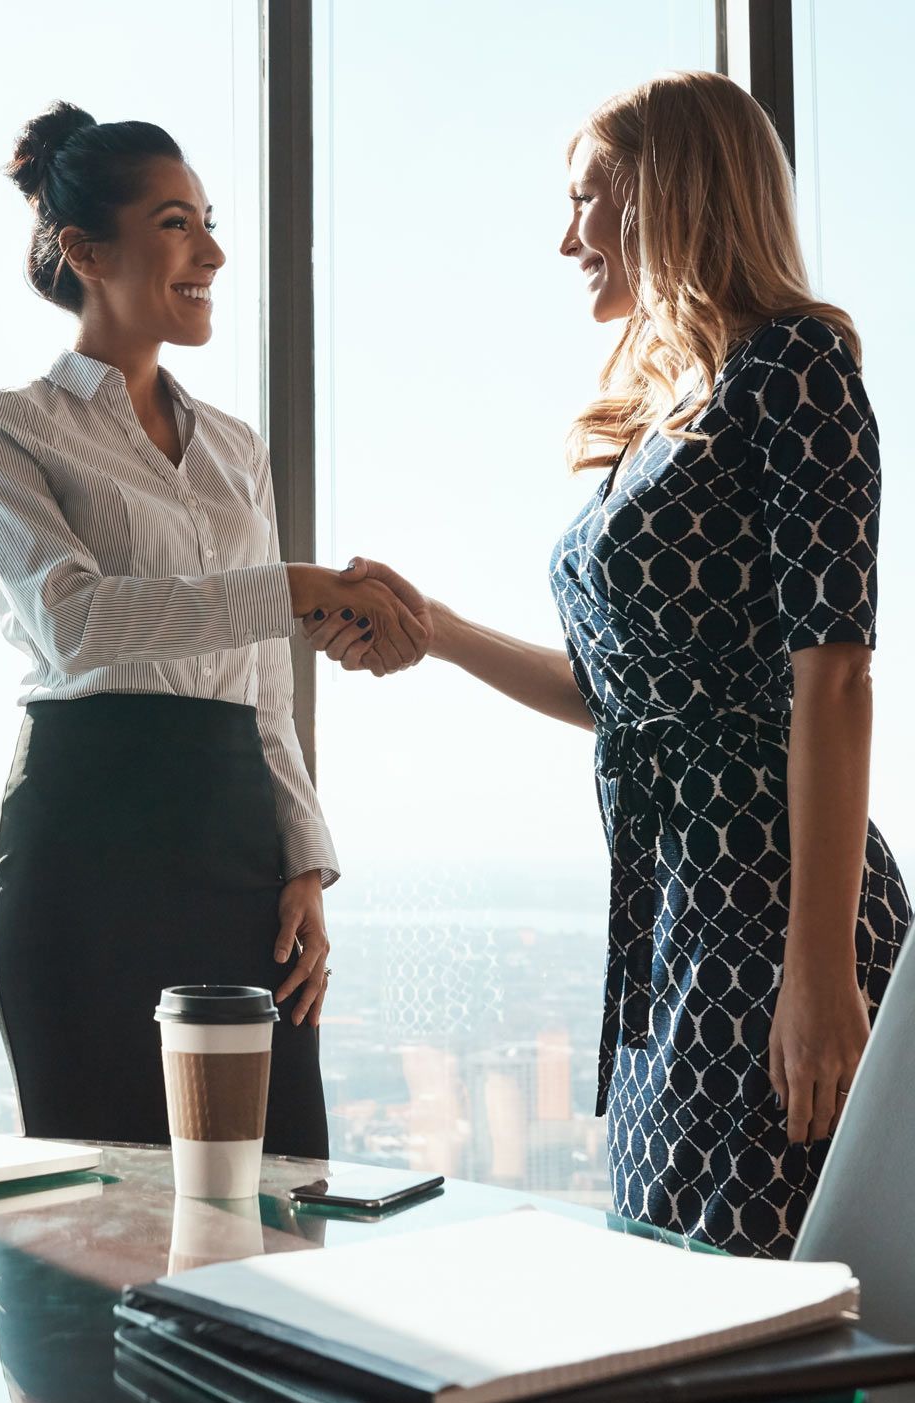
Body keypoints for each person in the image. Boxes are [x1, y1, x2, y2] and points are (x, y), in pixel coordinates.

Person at [307, 71, 907, 1256]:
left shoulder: (797, 365)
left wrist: (823, 971)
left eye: (592, 197)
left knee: (753, 1297)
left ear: (672, 193)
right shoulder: (661, 412)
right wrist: (440, 629)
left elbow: (831, 677)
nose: (568, 234)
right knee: (670, 1275)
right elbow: (620, 697)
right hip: (671, 922)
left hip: (780, 908)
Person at [0, 100, 425, 1158]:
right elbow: (74, 622)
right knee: (97, 1201)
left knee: (280, 1182)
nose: (212, 250)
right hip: (88, 833)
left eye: (208, 220)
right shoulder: (3, 431)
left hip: (236, 835)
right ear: (84, 248)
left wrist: (302, 853)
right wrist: (289, 583)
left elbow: (265, 677)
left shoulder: (235, 447)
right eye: (176, 223)